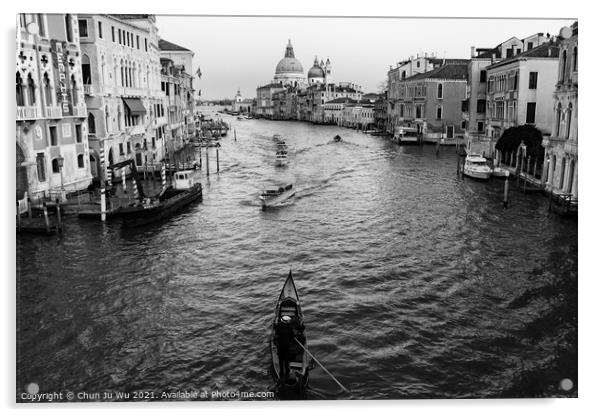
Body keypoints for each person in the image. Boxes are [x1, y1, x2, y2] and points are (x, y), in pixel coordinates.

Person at [275, 315, 294, 381]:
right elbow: (292, 336)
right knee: (286, 360)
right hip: (286, 347)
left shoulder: (278, 326)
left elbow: (276, 332)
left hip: (279, 346)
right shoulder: (290, 328)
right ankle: (287, 373)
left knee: (281, 360)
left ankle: (281, 373)